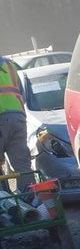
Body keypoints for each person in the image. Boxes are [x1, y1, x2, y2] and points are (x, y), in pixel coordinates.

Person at [0, 55, 33, 192]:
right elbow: (22, 93)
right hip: (18, 116)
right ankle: (30, 202)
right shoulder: (9, 64)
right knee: (22, 165)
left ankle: (4, 204)